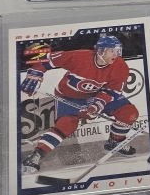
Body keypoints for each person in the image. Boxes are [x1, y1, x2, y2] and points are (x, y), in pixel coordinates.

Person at [19, 36, 140, 176]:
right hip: (69, 96)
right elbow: (48, 59)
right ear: (100, 51)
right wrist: (35, 75)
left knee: (129, 113)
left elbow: (112, 91)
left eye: (118, 51)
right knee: (66, 125)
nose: (116, 54)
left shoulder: (120, 66)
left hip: (97, 95)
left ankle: (115, 142)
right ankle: (36, 155)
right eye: (112, 51)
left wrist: (96, 105)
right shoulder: (79, 57)